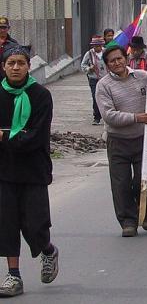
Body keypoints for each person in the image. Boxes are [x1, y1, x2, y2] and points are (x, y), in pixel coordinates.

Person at [0, 45, 59, 297]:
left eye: (20, 63)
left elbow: (36, 137)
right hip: (3, 171)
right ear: (4, 66)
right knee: (7, 224)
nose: (15, 67)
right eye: (11, 63)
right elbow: (24, 135)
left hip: (34, 170)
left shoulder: (40, 95)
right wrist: (16, 136)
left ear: (29, 66)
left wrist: (4, 136)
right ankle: (14, 276)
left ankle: (48, 250)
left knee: (35, 225)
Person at [95, 45, 147, 237]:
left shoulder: (143, 77)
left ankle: (145, 213)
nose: (117, 63)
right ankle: (128, 221)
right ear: (107, 65)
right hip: (118, 142)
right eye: (112, 61)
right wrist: (136, 117)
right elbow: (109, 116)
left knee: (144, 180)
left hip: (143, 139)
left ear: (126, 58)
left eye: (119, 58)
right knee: (120, 184)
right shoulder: (103, 86)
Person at [80, 36, 107, 125]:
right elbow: (83, 65)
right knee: (96, 97)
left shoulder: (106, 52)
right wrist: (89, 68)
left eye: (99, 46)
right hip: (94, 79)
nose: (97, 48)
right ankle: (97, 117)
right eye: (95, 46)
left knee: (107, 98)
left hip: (105, 79)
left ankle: (107, 116)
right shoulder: (89, 54)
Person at [0, 17, 18, 81]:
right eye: (0, 28)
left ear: (8, 28)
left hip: (7, 77)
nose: (2, 30)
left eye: (4, 28)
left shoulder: (14, 43)